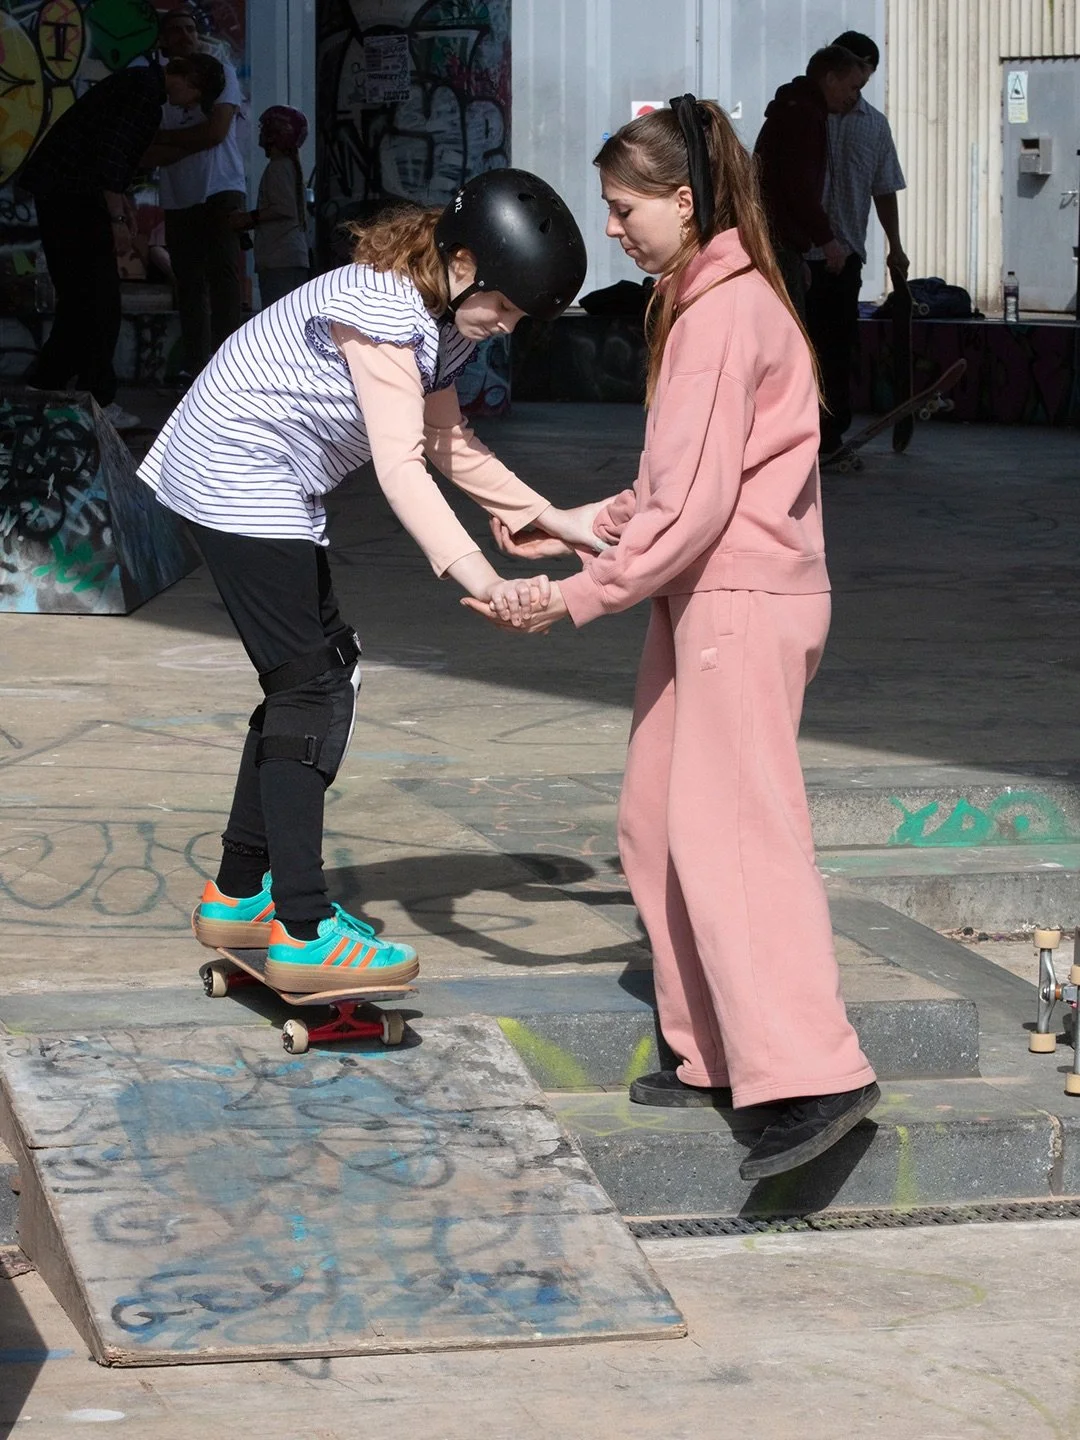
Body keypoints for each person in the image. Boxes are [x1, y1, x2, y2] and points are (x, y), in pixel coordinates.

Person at [468, 98, 880, 1182]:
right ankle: (712, 1051)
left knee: (735, 836)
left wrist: (570, 597)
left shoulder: (715, 315)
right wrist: (564, 528)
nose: (613, 228)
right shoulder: (710, 300)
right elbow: (674, 489)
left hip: (737, 599)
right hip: (713, 596)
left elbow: (690, 513)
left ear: (683, 202)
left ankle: (813, 1072)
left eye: (624, 208)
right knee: (657, 822)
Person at [136, 168, 592, 992]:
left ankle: (242, 893)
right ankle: (303, 929)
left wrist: (560, 521)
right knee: (309, 686)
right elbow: (403, 467)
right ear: (462, 262)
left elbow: (451, 442)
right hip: (237, 469)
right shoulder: (383, 309)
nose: (504, 329)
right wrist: (480, 578)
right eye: (504, 308)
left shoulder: (440, 317)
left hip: (267, 475)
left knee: (317, 671)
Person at [18, 47, 221, 431]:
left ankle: (45, 384)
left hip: (63, 193)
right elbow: (110, 156)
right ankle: (97, 398)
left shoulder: (137, 84)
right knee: (100, 300)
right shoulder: (144, 93)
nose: (188, 105)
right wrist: (115, 215)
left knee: (80, 300)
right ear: (189, 80)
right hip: (76, 198)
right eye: (196, 96)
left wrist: (121, 200)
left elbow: (107, 150)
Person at [807, 31, 908, 465]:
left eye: (862, 80)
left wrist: (895, 246)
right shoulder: (807, 116)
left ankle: (830, 437)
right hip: (801, 255)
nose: (855, 89)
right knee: (798, 351)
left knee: (837, 348)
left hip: (844, 256)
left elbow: (885, 189)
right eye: (852, 79)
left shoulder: (874, 125)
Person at [150, 6, 248, 377]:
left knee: (224, 278)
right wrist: (185, 142)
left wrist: (167, 142)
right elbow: (148, 152)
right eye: (176, 30)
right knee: (189, 282)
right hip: (178, 196)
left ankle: (229, 366)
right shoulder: (157, 85)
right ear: (163, 39)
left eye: (190, 29)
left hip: (222, 187)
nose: (185, 36)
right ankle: (195, 367)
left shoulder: (219, 72)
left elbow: (216, 133)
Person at [753, 46, 866, 320]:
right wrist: (827, 241)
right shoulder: (803, 116)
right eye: (852, 87)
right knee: (788, 332)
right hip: (779, 243)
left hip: (778, 242)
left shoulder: (795, 109)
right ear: (830, 79)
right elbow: (798, 187)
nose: (855, 98)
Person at [230, 106, 311, 309]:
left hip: (280, 259)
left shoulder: (279, 167)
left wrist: (248, 218)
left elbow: (284, 208)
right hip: (287, 258)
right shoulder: (288, 166)